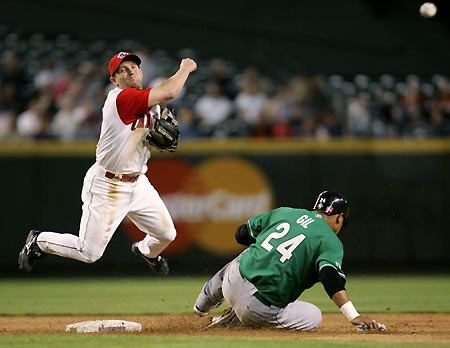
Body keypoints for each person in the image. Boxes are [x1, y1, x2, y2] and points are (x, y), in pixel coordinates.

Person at [18, 51, 197, 275]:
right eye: (122, 70)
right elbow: (171, 90)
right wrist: (185, 68)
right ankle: (39, 241)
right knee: (89, 252)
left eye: (133, 66)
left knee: (166, 234)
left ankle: (145, 251)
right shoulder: (121, 98)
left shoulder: (153, 106)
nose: (129, 70)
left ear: (141, 71)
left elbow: (145, 137)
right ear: (115, 81)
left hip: (137, 183)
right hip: (108, 184)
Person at [194, 191, 387, 331]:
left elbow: (240, 234)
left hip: (231, 283)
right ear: (339, 217)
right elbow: (330, 278)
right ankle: (236, 320)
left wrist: (268, 249)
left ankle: (202, 304)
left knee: (247, 255)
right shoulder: (331, 242)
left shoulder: (285, 212)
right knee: (314, 316)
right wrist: (353, 315)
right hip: (255, 309)